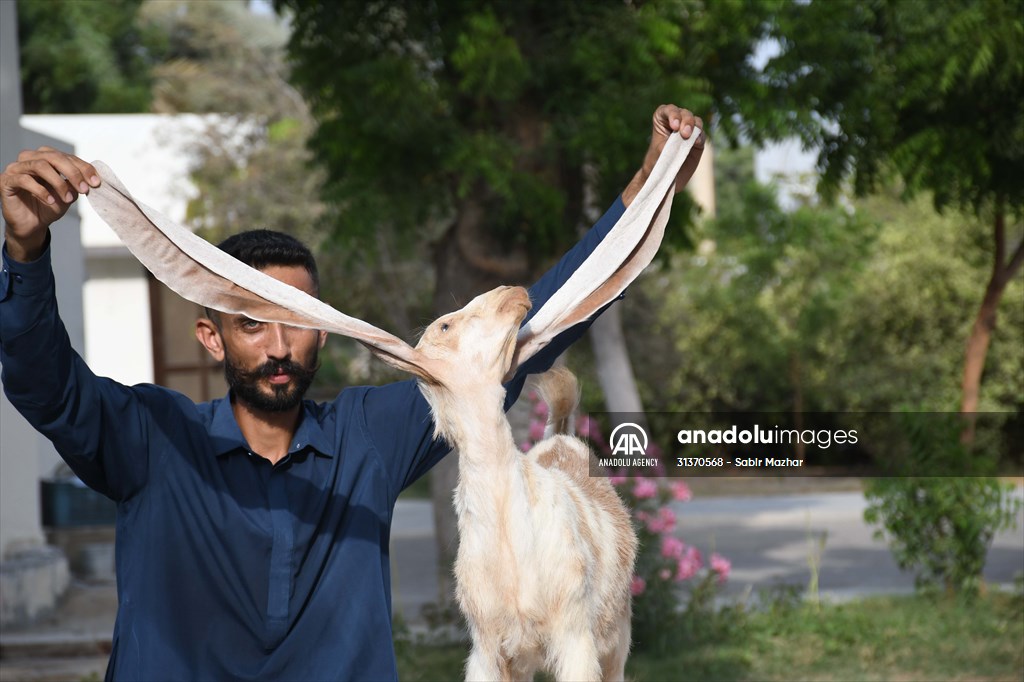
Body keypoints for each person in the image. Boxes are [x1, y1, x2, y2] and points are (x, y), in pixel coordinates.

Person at [0, 105, 703, 681]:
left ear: (325, 332)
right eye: (251, 324)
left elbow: (539, 331)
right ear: (211, 338)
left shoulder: (368, 437)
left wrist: (649, 185)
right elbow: (46, 387)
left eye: (296, 325)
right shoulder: (151, 440)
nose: (278, 347)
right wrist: (26, 254)